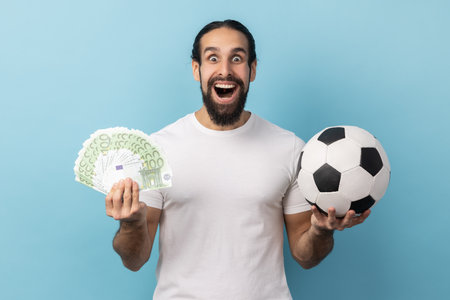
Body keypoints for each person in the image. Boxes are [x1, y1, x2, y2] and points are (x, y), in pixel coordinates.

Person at [105, 20, 370, 299]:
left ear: (252, 69)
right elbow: (134, 260)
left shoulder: (289, 148)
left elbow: (305, 257)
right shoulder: (158, 149)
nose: (225, 70)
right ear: (197, 69)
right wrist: (131, 224)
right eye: (213, 58)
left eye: (237, 58)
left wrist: (321, 231)